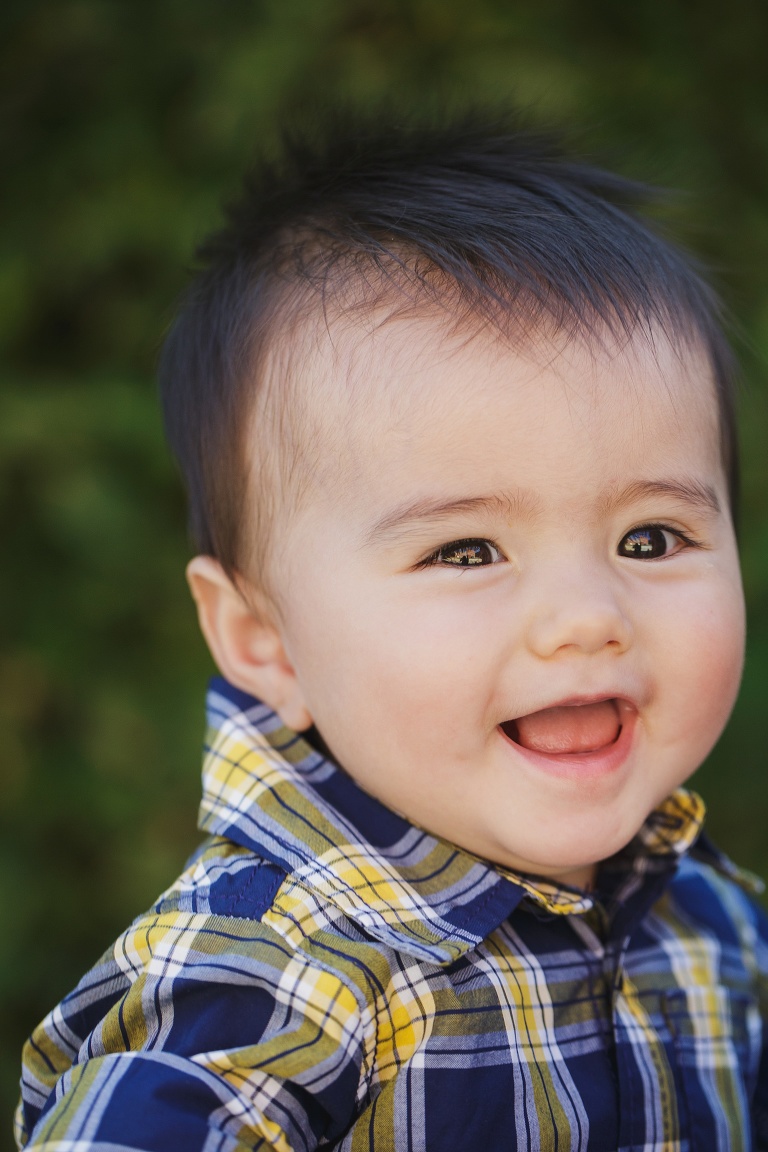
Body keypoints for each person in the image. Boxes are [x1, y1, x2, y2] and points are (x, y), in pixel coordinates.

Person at [15, 110, 768, 1151]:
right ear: (265, 641)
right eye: (466, 551)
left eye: (650, 538)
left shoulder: (715, 922)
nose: (589, 616)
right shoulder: (271, 977)